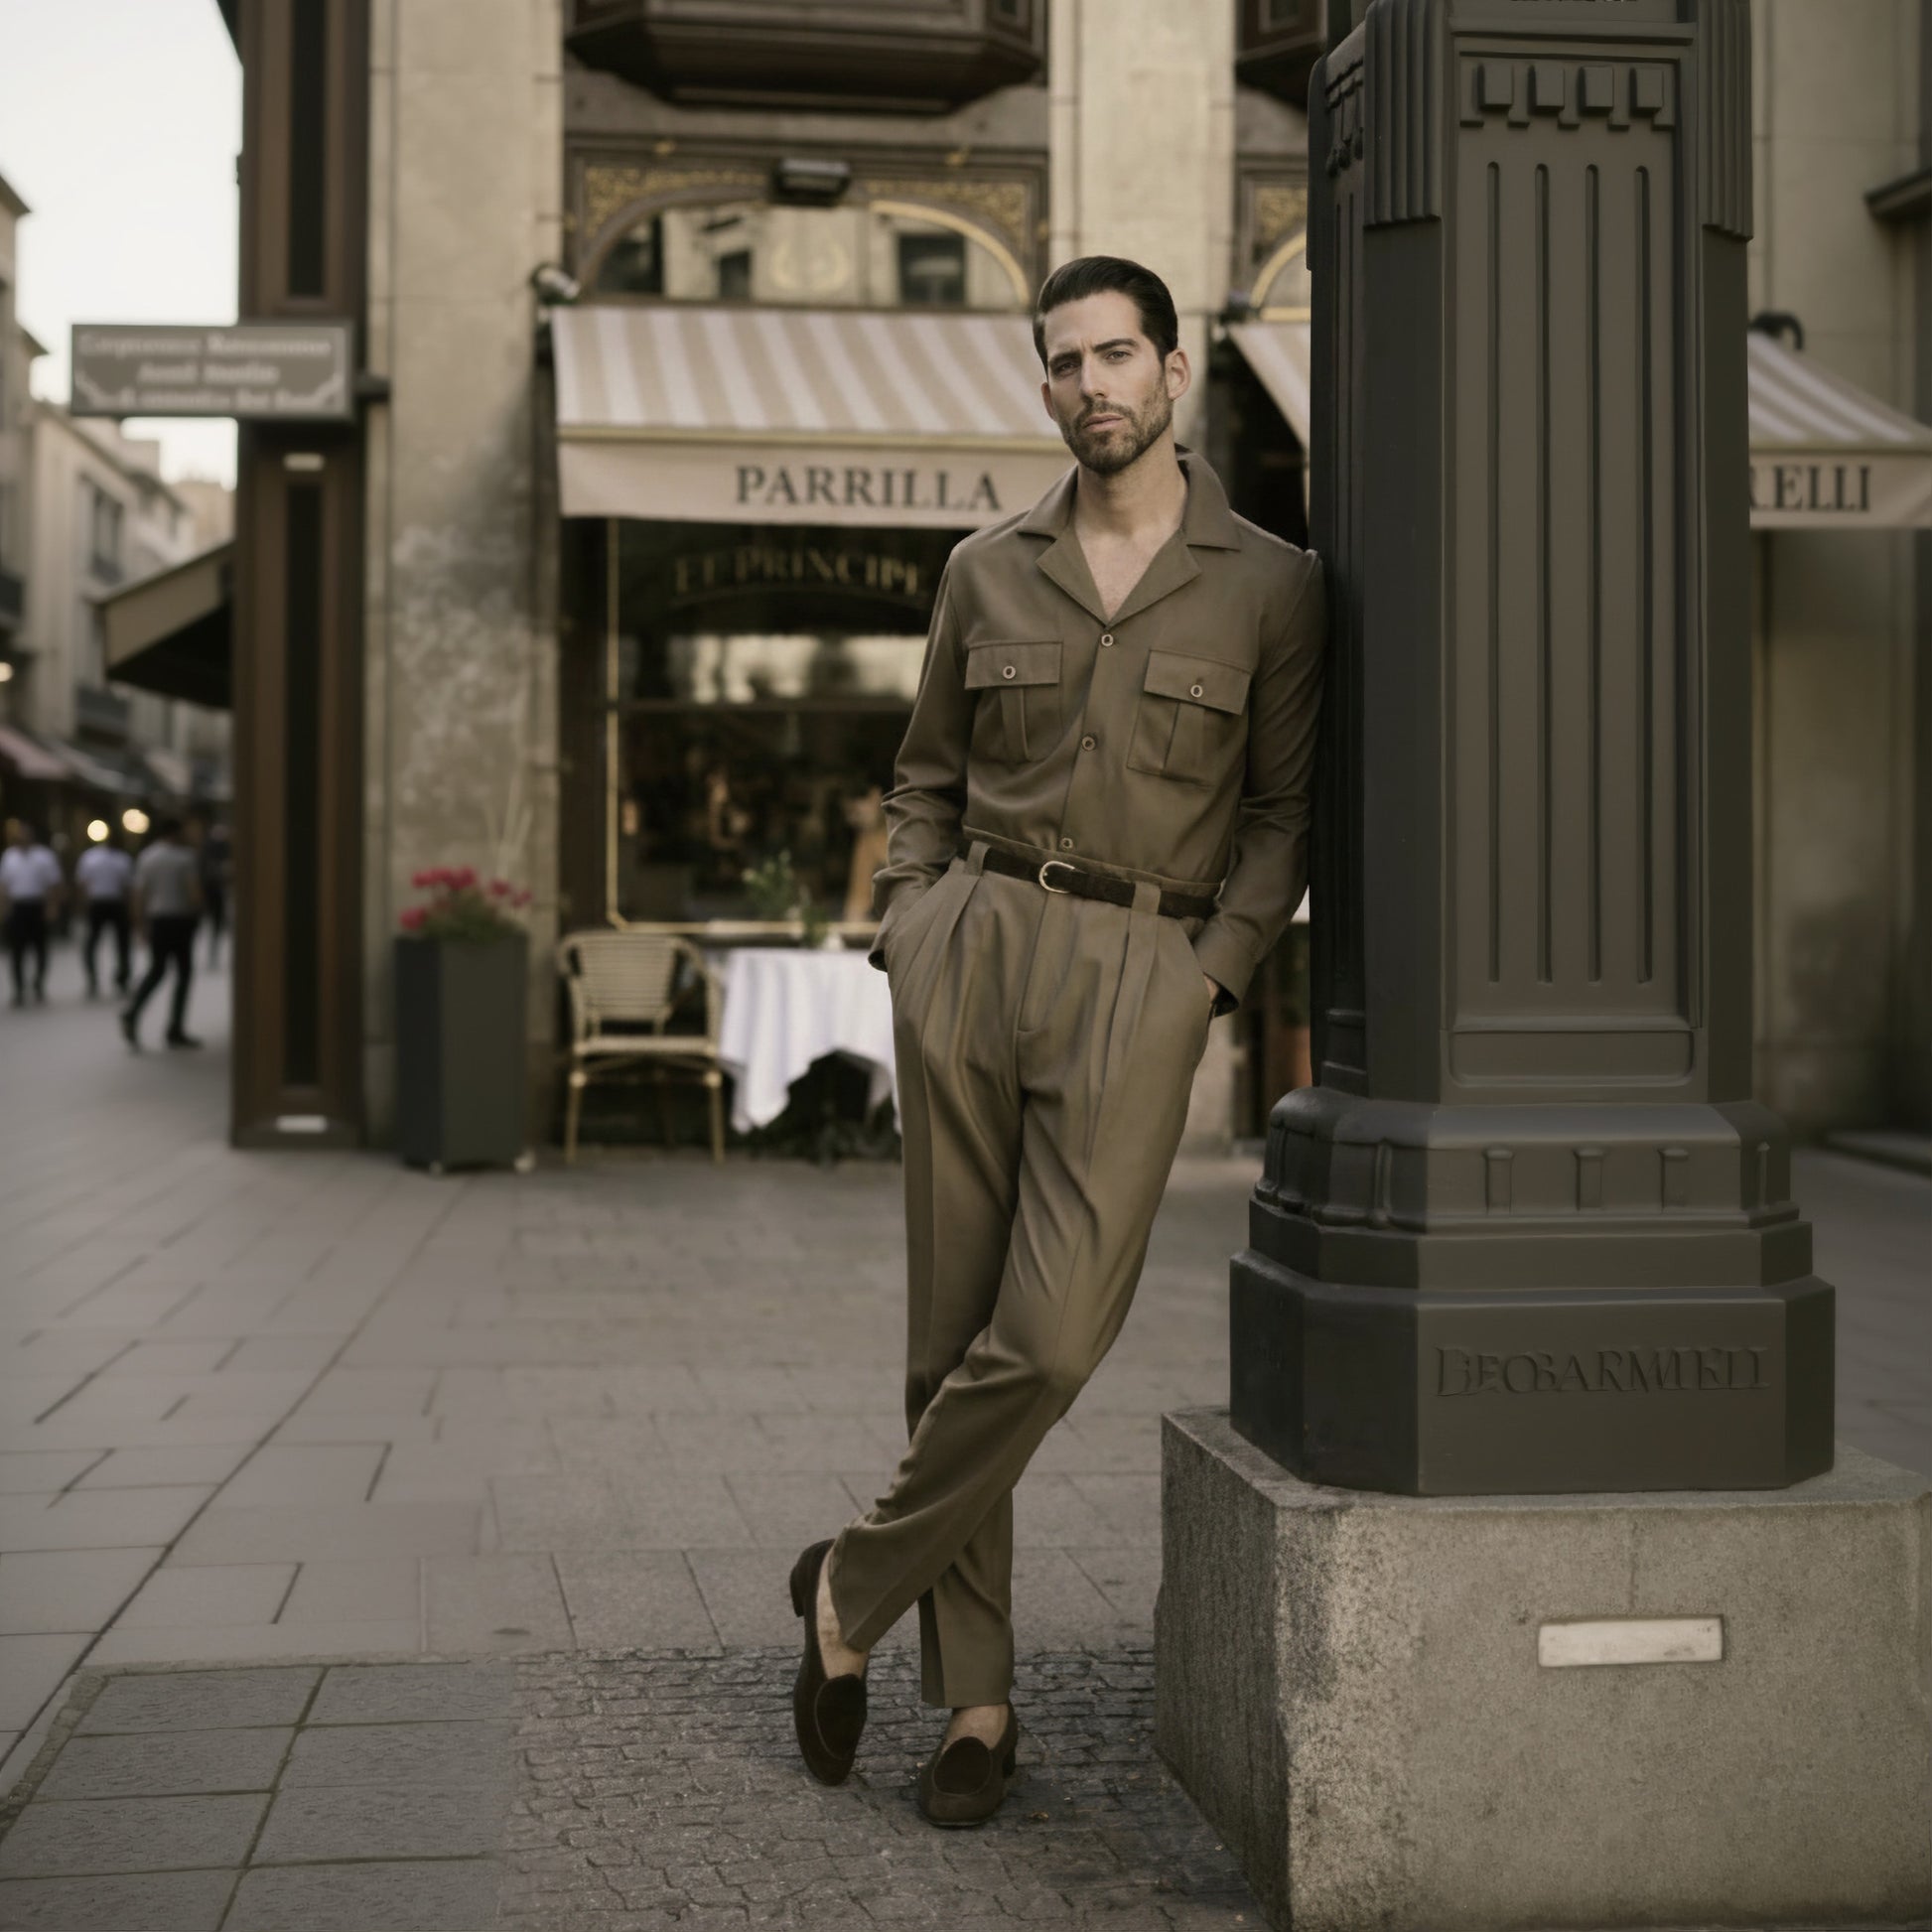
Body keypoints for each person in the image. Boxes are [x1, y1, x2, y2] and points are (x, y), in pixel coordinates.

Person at [788, 256, 1326, 1824]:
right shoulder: (984, 570)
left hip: (1142, 971)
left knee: (1052, 1335)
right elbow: (923, 775)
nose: (1093, 383)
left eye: (1117, 354)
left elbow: (1282, 815)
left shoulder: (1271, 585)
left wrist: (1206, 979)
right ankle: (975, 1706)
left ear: (1172, 372)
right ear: (1044, 387)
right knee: (947, 1337)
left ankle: (846, 1586)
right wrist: (910, 929)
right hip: (971, 948)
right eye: (1065, 361)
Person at [121, 817, 203, 1050]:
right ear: (176, 833)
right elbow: (194, 893)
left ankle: (133, 1011)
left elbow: (139, 894)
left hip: (157, 920)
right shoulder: (185, 857)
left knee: (157, 970)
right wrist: (199, 910)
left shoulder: (147, 856)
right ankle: (175, 1028)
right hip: (180, 919)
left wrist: (140, 926)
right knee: (184, 973)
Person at [0, 820, 64, 1007]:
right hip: (18, 907)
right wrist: (4, 908)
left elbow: (53, 884)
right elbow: (4, 885)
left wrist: (52, 907)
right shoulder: (9, 857)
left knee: (40, 948)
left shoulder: (44, 856)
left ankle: (38, 983)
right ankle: (19, 988)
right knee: (16, 951)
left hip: (37, 905)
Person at [74, 833, 135, 999]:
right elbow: (83, 884)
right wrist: (83, 905)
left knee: (121, 943)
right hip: (99, 902)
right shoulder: (91, 857)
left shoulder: (121, 859)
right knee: (94, 942)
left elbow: (128, 887)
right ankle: (93, 978)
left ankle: (121, 977)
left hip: (114, 903)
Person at [198, 819, 231, 967]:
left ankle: (213, 954)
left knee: (215, 925)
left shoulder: (219, 849)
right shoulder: (209, 850)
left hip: (215, 893)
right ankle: (211, 954)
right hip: (210, 892)